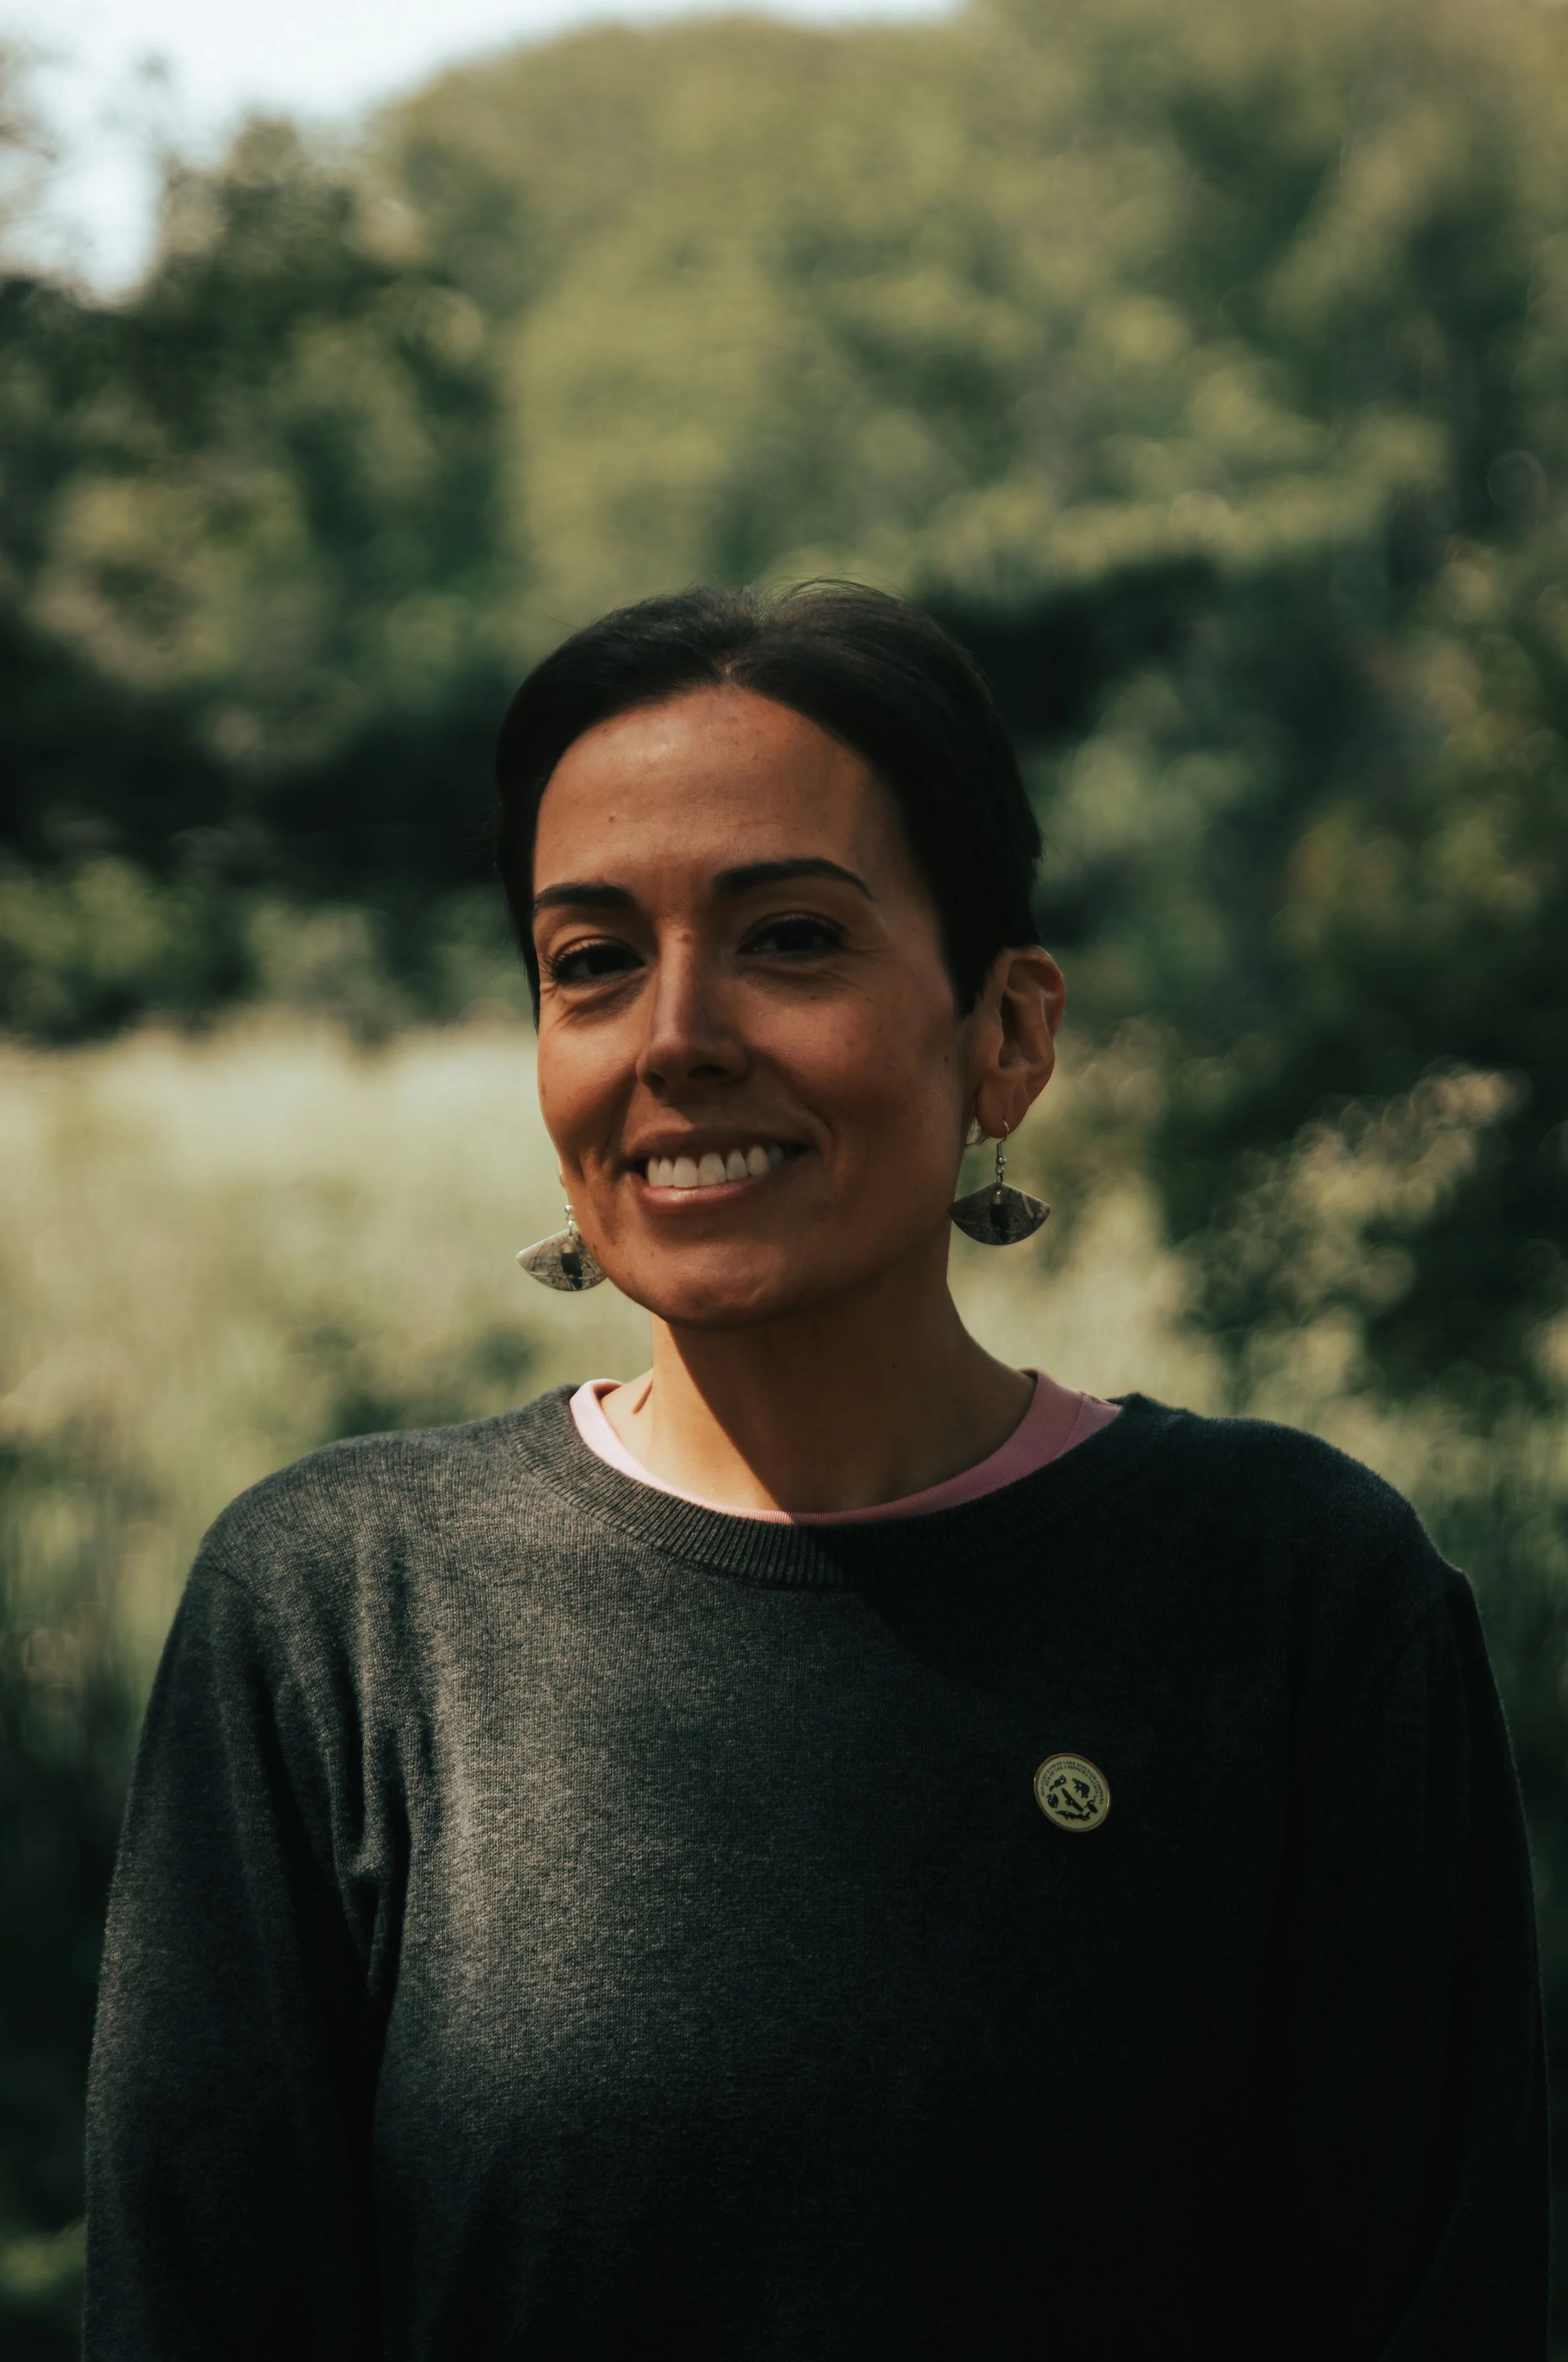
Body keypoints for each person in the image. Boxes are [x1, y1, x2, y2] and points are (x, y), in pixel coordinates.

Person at [85, 583, 1547, 2359]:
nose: (675, 1031)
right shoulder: (335, 1613)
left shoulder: (1290, 1591)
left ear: (1006, 1029)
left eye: (788, 937)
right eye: (591, 959)